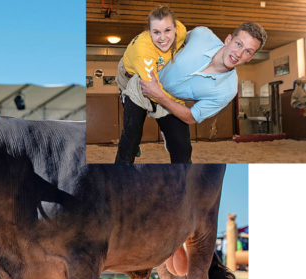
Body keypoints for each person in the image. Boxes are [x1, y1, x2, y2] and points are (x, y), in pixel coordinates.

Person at [135, 21, 267, 163]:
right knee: (129, 143)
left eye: (248, 51)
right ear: (228, 40)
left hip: (169, 102)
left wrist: (159, 96)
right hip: (147, 81)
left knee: (183, 153)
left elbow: (192, 117)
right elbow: (169, 39)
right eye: (238, 44)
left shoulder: (228, 90)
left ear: (251, 57)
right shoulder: (202, 35)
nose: (239, 53)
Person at [114, 5, 187, 163]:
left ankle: (168, 134)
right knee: (131, 134)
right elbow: (154, 92)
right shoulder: (144, 52)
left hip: (161, 72)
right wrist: (180, 105)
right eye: (156, 32)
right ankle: (132, 148)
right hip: (131, 76)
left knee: (181, 141)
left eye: (167, 30)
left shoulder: (182, 30)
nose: (163, 38)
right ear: (149, 31)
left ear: (175, 28)